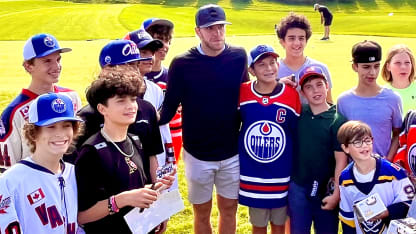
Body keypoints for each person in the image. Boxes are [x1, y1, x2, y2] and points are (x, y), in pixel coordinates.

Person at [159, 4, 249, 233]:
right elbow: (169, 107)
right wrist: (141, 122)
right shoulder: (181, 64)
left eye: (221, 27)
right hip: (197, 153)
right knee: (201, 212)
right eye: (210, 29)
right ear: (198, 31)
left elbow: (248, 95)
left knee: (229, 209)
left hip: (231, 151)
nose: (217, 33)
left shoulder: (239, 56)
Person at [75, 66, 175, 233]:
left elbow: (134, 190)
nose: (131, 106)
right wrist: (122, 200)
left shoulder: (135, 141)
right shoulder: (91, 153)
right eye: (121, 101)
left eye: (133, 99)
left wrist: (157, 191)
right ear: (102, 109)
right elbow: (82, 216)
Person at [75, 40, 163, 185]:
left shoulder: (147, 109)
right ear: (106, 70)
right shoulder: (86, 117)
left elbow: (152, 155)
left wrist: (157, 187)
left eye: (135, 65)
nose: (134, 71)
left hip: (143, 195)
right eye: (126, 65)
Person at [239, 45, 300, 234]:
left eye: (273, 63)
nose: (269, 68)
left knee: (279, 224)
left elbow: (294, 132)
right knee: (258, 225)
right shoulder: (242, 92)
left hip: (281, 174)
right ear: (252, 70)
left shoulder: (290, 95)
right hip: (252, 173)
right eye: (262, 65)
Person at [0, 92, 83, 233]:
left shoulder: (75, 173)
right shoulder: (11, 181)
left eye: (66, 125)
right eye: (51, 127)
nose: (60, 133)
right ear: (33, 133)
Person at [0, 33, 81, 171]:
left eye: (58, 59)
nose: (56, 66)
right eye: (47, 61)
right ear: (28, 66)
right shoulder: (14, 113)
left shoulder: (71, 97)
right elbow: (6, 169)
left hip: (71, 183)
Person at [288, 65, 348, 234]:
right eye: (309, 87)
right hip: (299, 187)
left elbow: (341, 162)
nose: (315, 90)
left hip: (325, 189)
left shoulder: (337, 120)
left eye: (319, 84)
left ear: (327, 86)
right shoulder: (299, 114)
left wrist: (336, 193)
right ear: (302, 93)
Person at [338, 120, 414, 234]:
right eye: (357, 142)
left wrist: (388, 212)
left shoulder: (394, 173)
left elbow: (410, 203)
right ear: (345, 148)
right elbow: (348, 216)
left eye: (367, 141)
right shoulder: (345, 178)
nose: (364, 145)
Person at [337, 40, 402, 161]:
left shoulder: (393, 99)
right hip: (355, 171)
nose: (372, 72)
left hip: (384, 172)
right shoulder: (343, 101)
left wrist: (387, 161)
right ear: (355, 67)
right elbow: (342, 140)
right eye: (366, 67)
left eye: (376, 66)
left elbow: (397, 135)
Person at [142, 18, 183, 162]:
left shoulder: (172, 75)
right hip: (143, 137)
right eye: (159, 39)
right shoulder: (135, 78)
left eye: (168, 40)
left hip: (172, 135)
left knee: (167, 179)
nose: (165, 45)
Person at [275, 12, 333, 104]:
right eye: (291, 38)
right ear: (282, 42)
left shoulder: (321, 68)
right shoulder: (272, 70)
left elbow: (329, 103)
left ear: (306, 41)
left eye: (301, 38)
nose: (297, 43)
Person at [381, 44, 416, 115]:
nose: (403, 67)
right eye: (397, 63)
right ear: (388, 66)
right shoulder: (382, 94)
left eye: (407, 63)